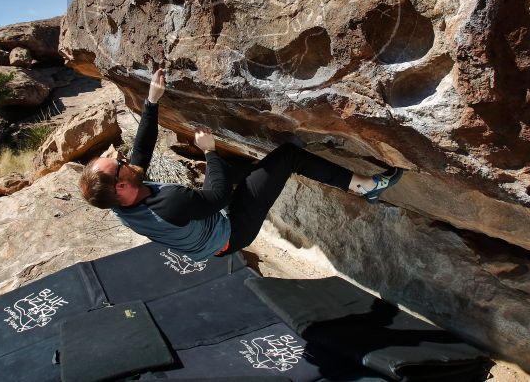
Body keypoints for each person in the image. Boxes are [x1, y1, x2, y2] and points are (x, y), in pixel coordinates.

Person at [79, 68, 403, 260]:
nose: (120, 158)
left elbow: (140, 152)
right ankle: (367, 187)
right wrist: (208, 151)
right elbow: (217, 197)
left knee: (248, 172)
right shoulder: (169, 203)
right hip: (232, 233)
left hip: (205, 231)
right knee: (287, 157)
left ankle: (262, 177)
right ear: (121, 186)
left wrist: (151, 101)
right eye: (117, 164)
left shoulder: (117, 200)